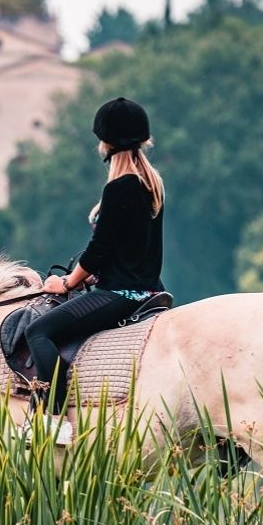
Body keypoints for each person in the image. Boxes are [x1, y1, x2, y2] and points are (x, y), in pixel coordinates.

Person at [25, 96, 165, 443]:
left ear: (106, 143)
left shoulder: (119, 187)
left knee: (39, 332)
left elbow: (99, 251)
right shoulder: (152, 184)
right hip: (150, 289)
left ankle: (53, 420)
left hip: (118, 293)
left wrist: (67, 283)